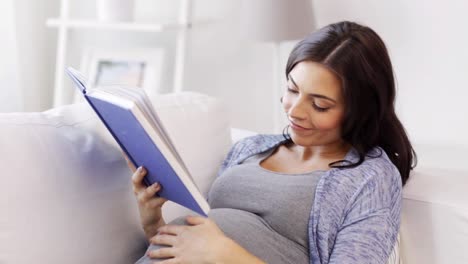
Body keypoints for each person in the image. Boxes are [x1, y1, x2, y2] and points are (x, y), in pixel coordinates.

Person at [132, 21, 417, 264]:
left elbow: (215, 249)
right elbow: (197, 246)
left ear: (360, 110)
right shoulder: (248, 149)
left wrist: (229, 255)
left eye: (319, 105)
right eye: (292, 89)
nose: (294, 110)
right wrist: (153, 221)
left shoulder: (370, 178)